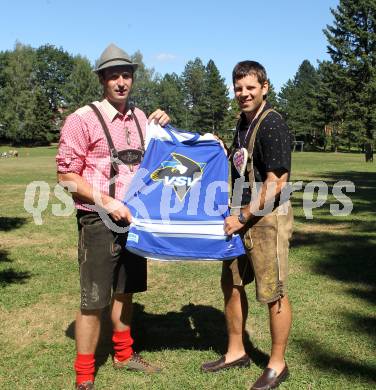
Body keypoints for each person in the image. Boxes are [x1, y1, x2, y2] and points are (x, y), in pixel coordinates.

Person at [56, 43, 170, 390]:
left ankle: (123, 354)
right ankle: (85, 375)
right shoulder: (81, 119)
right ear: (102, 79)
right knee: (93, 299)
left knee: (125, 291)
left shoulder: (139, 117)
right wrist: (106, 201)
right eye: (113, 75)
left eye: (127, 75)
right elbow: (65, 177)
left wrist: (164, 123)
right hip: (97, 220)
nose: (121, 82)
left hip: (133, 220)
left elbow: (160, 156)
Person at [201, 61, 293, 390]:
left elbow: (277, 182)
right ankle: (236, 351)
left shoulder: (272, 125)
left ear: (264, 87)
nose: (244, 94)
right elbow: (243, 166)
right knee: (232, 283)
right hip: (240, 216)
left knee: (272, 292)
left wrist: (242, 217)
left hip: (266, 219)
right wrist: (219, 146)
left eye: (250, 87)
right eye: (239, 88)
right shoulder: (243, 123)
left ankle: (277, 364)